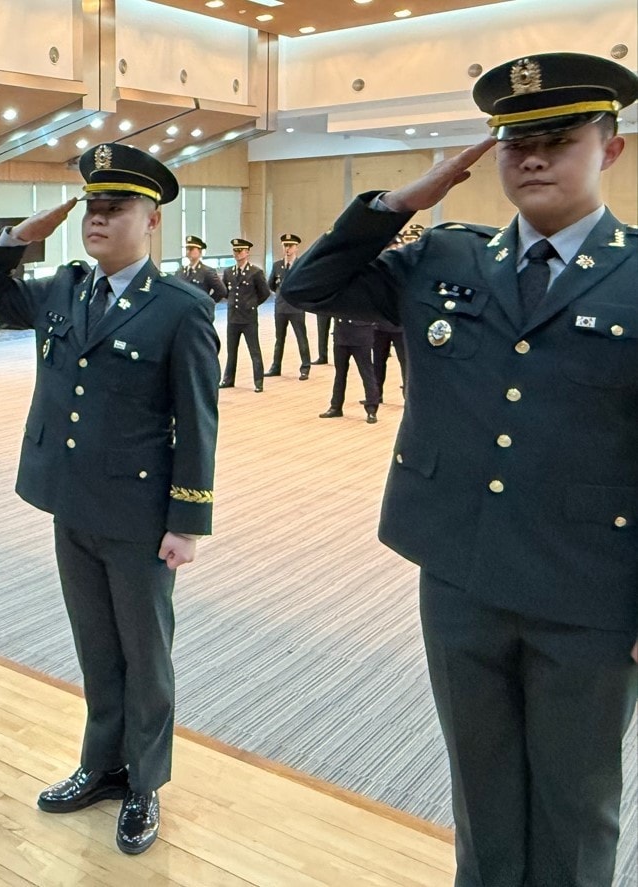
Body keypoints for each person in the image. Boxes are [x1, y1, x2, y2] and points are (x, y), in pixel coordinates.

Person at [280, 52, 638, 887]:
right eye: (515, 143)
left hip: (589, 590)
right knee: (481, 790)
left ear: (611, 148)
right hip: (461, 576)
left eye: (558, 139)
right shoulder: (444, 257)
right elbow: (310, 287)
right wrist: (402, 202)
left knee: (575, 800)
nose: (533, 159)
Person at [0, 142, 220, 855]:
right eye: (91, 207)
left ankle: (145, 783)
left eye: (115, 208)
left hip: (138, 514)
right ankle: (102, 765)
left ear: (152, 221)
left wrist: (187, 520)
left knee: (145, 654)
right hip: (71, 501)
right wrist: (21, 235)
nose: (98, 218)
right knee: (97, 649)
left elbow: (198, 420)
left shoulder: (180, 308)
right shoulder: (64, 288)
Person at [219, 237, 270, 391]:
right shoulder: (229, 272)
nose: (237, 253)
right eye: (235, 251)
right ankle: (228, 379)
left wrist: (252, 304)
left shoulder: (255, 272)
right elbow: (226, 292)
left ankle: (258, 382)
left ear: (247, 253)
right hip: (233, 317)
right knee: (231, 351)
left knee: (254, 350)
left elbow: (265, 293)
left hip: (248, 318)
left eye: (240, 251)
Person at [266, 233, 311, 380]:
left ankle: (305, 367)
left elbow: (306, 286)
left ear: (296, 248)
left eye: (290, 246)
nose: (287, 249)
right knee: (279, 339)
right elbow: (271, 285)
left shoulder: (301, 265)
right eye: (285, 245)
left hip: (296, 308)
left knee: (301, 338)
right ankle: (276, 367)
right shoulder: (277, 265)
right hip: (281, 308)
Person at [318, 317, 380, 423]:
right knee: (340, 374)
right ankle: (336, 407)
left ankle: (372, 409)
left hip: (361, 335)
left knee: (367, 374)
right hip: (341, 334)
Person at [177, 234, 227, 301]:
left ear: (200, 252)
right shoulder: (180, 271)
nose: (188, 252)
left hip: (199, 307)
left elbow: (222, 291)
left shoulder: (207, 271)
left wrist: (207, 303)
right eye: (187, 249)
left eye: (191, 249)